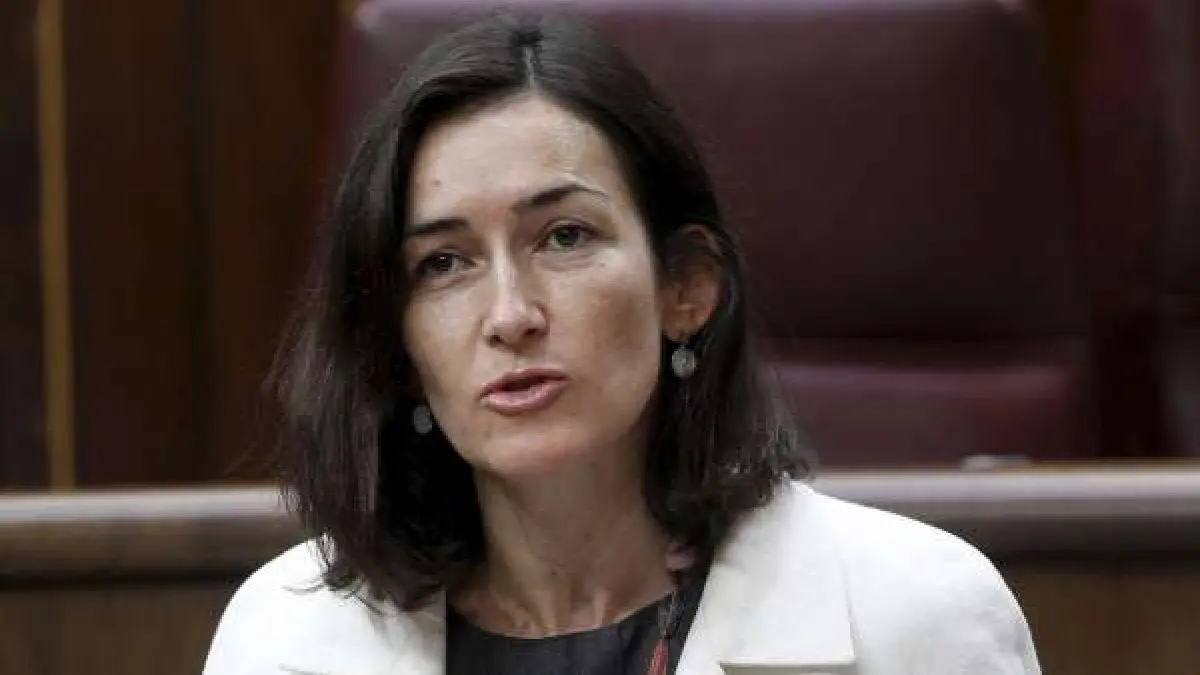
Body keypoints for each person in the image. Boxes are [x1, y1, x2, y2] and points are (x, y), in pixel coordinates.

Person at [203, 12, 1040, 675]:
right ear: (398, 343)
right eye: (444, 263)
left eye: (564, 236)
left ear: (685, 287)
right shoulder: (285, 639)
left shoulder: (916, 616)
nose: (510, 313)